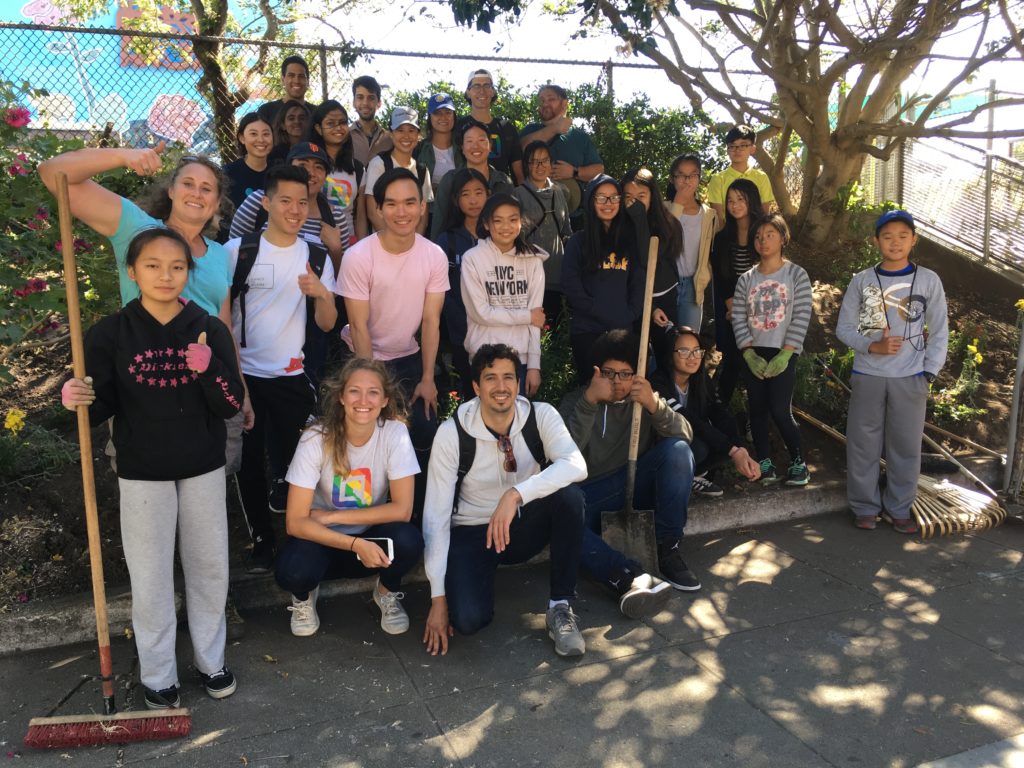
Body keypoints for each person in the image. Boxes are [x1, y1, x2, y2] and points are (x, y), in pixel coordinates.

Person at [60, 227, 243, 710]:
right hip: (141, 471)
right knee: (150, 575)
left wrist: (211, 371)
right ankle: (158, 673)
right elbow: (96, 408)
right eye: (154, 266)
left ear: (189, 272)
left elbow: (231, 404)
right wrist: (75, 397)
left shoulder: (209, 328)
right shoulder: (111, 332)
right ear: (132, 271)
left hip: (202, 466)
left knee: (208, 569)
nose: (166, 275)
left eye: (177, 267)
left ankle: (212, 660)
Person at [422, 344, 589, 657]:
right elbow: (435, 517)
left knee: (569, 498)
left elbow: (576, 465)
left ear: (518, 381)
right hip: (473, 532)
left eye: (508, 377)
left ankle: (560, 607)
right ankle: (470, 587)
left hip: (522, 525)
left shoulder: (541, 415)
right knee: (469, 621)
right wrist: (438, 599)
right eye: (490, 378)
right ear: (476, 387)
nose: (501, 387)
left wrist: (515, 495)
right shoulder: (452, 433)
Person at [225, 164, 338, 572]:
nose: (294, 209)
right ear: (267, 202)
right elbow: (222, 318)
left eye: (302, 202)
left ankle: (296, 536)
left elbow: (328, 322)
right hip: (246, 376)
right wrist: (233, 376)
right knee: (249, 462)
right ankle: (260, 540)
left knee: (298, 461)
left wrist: (321, 293)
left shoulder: (318, 257)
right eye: (285, 200)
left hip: (293, 375)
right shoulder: (239, 251)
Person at [274, 359, 425, 636]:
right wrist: (353, 544)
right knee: (292, 571)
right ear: (341, 397)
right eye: (354, 391)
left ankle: (386, 592)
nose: (363, 400)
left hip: (369, 540)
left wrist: (334, 517)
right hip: (322, 539)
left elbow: (403, 510)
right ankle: (305, 596)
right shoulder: (315, 438)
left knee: (409, 540)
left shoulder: (394, 433)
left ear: (385, 400)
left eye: (373, 392)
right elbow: (295, 522)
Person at [337, 168, 449, 512]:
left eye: (410, 203)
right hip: (362, 357)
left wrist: (428, 378)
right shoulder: (359, 256)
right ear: (379, 210)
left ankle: (419, 517)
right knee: (365, 435)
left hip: (410, 359)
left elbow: (431, 321)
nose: (402, 212)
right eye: (393, 204)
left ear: (422, 208)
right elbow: (358, 327)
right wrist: (373, 389)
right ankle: (359, 518)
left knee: (425, 432)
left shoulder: (434, 255)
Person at [561, 329, 701, 593]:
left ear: (636, 375)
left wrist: (653, 405)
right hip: (589, 494)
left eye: (625, 374)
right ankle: (626, 575)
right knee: (559, 517)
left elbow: (686, 436)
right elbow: (561, 456)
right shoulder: (575, 401)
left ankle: (668, 549)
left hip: (634, 482)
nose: (617, 381)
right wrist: (589, 402)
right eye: (608, 372)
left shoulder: (643, 400)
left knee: (678, 451)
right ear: (596, 371)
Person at [836, 210, 948, 534]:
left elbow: (940, 329)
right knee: (862, 444)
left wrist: (928, 372)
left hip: (911, 377)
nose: (895, 242)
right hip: (868, 373)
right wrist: (873, 347)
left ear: (914, 240)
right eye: (887, 236)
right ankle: (865, 508)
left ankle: (900, 508)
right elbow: (845, 329)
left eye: (903, 236)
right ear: (876, 241)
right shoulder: (864, 280)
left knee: (906, 445)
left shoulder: (928, 280)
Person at [731, 214, 812, 486]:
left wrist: (787, 352)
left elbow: (801, 314)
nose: (763, 240)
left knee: (780, 410)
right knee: (758, 411)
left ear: (782, 238)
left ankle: (799, 462)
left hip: (783, 351)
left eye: (769, 234)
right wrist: (747, 352)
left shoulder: (796, 275)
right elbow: (740, 318)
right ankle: (765, 464)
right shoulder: (746, 279)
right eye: (758, 236)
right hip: (753, 353)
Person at [650, 326, 761, 497]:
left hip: (692, 439)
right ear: (670, 354)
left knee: (727, 441)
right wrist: (734, 450)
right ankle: (676, 477)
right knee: (701, 447)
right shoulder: (658, 384)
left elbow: (720, 414)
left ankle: (691, 475)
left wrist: (740, 449)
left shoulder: (702, 380)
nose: (693, 357)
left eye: (697, 351)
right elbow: (690, 420)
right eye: (684, 351)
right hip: (664, 446)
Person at [461, 193, 546, 397]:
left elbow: (536, 319)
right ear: (487, 224)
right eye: (498, 220)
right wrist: (526, 316)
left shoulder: (533, 260)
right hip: (484, 356)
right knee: (482, 423)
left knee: (517, 424)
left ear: (521, 222)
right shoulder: (472, 259)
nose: (505, 226)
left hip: (521, 359)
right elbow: (480, 313)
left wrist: (535, 364)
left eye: (513, 220)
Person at [561, 175, 644, 383]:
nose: (608, 204)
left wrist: (630, 313)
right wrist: (596, 310)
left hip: (623, 332)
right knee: (594, 392)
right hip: (588, 332)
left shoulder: (629, 242)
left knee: (621, 393)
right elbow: (570, 284)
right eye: (601, 198)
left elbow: (638, 281)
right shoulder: (578, 242)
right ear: (590, 201)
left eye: (614, 197)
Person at [230, 141, 347, 273]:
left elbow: (341, 281)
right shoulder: (258, 202)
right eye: (303, 165)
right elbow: (233, 252)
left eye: (319, 167)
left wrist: (336, 250)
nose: (311, 173)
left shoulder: (335, 217)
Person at [433, 168, 488, 397]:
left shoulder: (499, 236)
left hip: (496, 332)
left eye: (479, 192)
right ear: (456, 200)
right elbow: (442, 291)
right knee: (469, 392)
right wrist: (461, 323)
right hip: (461, 334)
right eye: (466, 194)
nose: (473, 200)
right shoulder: (447, 240)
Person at [710, 178, 764, 406]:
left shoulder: (764, 233)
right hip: (732, 308)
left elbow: (772, 273)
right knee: (732, 359)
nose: (734, 205)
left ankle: (756, 417)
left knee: (759, 363)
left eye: (740, 199)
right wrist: (732, 304)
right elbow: (722, 277)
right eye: (730, 200)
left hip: (762, 309)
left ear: (752, 200)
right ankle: (720, 410)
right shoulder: (722, 238)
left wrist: (752, 308)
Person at [621, 167, 683, 352]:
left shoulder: (667, 224)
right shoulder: (619, 227)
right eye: (628, 197)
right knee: (635, 354)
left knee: (667, 352)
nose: (634, 203)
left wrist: (640, 219)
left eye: (641, 196)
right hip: (633, 299)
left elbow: (649, 260)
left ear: (652, 196)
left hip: (665, 298)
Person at [519, 85, 604, 218]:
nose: (545, 103)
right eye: (541, 100)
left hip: (574, 216)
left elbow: (599, 170)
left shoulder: (579, 137)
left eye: (551, 99)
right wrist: (554, 128)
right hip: (533, 215)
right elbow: (521, 149)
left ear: (564, 104)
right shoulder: (530, 130)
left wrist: (574, 172)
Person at [515, 140, 571, 325]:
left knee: (554, 328)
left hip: (557, 272)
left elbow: (566, 230)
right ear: (527, 165)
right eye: (534, 161)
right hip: (528, 275)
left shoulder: (559, 192)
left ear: (551, 163)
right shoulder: (517, 194)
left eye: (544, 160)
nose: (540, 166)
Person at [431, 119, 514, 240]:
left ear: (490, 145)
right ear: (462, 148)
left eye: (481, 140)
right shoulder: (450, 180)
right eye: (469, 141)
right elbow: (439, 225)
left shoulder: (503, 182)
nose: (475, 146)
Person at [665, 154, 717, 331]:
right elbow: (662, 239)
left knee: (689, 340)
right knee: (663, 343)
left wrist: (706, 273)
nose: (687, 180)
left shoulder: (709, 215)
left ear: (699, 178)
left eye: (692, 175)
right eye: (681, 175)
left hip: (694, 287)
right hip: (666, 285)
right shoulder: (663, 209)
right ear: (672, 179)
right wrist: (678, 204)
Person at [362, 106, 433, 235]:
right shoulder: (379, 164)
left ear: (418, 135)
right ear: (391, 133)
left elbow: (423, 218)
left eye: (411, 130)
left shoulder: (422, 170)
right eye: (400, 130)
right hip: (383, 244)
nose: (406, 136)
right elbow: (373, 213)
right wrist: (396, 241)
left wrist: (413, 244)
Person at [308, 99, 365, 246]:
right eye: (330, 123)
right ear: (318, 128)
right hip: (312, 237)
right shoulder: (308, 164)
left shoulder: (357, 169)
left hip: (348, 239)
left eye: (342, 122)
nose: (338, 128)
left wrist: (361, 245)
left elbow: (360, 215)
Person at [458, 69, 523, 184]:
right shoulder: (458, 126)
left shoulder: (507, 128)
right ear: (468, 92)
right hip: (467, 193)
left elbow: (518, 172)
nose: (482, 91)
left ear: (493, 91)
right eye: (476, 86)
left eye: (487, 86)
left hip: (500, 191)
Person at [219, 112, 274, 242]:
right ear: (242, 138)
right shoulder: (227, 174)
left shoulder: (280, 174)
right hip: (233, 243)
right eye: (253, 134)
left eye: (266, 134)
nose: (261, 139)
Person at [706, 125, 774, 227]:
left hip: (755, 236)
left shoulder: (761, 177)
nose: (737, 150)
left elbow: (764, 215)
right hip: (727, 236)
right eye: (732, 146)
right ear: (727, 150)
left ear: (752, 149)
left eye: (743, 145)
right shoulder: (718, 179)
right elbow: (718, 219)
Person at [416, 92, 463, 198]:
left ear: (454, 116)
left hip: (460, 212)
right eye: (437, 113)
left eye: (448, 112)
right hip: (428, 212)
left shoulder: (463, 148)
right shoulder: (418, 149)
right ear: (430, 117)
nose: (443, 117)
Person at [257, 55, 317, 127]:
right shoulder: (267, 111)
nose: (296, 81)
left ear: (307, 81)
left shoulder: (317, 113)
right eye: (291, 75)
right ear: (282, 80)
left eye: (301, 76)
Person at [350, 75, 393, 168]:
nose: (365, 103)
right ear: (353, 102)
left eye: (371, 98)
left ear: (379, 103)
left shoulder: (389, 139)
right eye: (360, 97)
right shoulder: (345, 137)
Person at [267, 100, 309, 168]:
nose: (297, 122)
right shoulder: (274, 154)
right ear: (283, 125)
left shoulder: (315, 149)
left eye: (302, 118)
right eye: (291, 118)